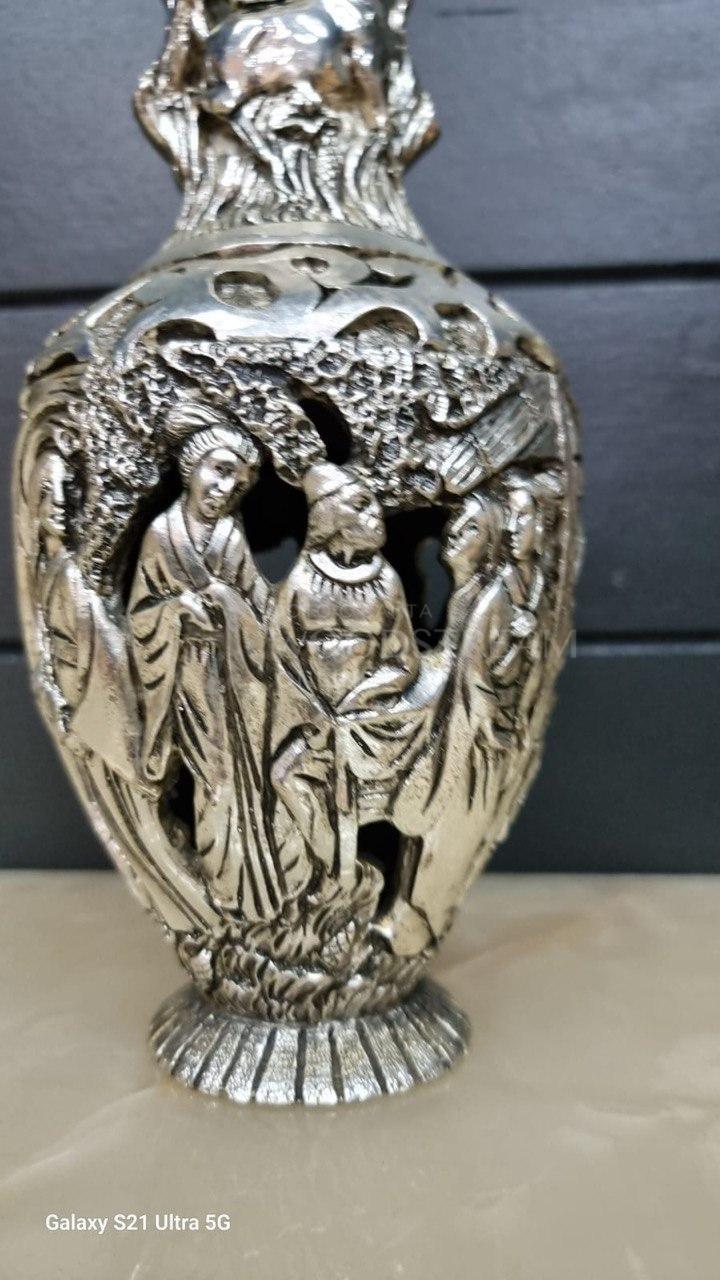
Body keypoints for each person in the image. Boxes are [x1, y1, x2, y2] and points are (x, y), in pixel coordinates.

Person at [129, 404, 304, 918]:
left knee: (249, 779)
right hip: (188, 677)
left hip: (239, 675)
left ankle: (253, 886)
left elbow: (257, 603)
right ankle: (224, 885)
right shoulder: (161, 535)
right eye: (221, 471)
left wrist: (245, 606)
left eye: (240, 483)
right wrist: (177, 609)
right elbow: (140, 615)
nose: (227, 489)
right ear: (191, 467)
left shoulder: (229, 536)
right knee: (215, 779)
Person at [269, 463, 420, 888]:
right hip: (313, 720)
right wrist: (314, 710)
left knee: (351, 792)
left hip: (367, 722)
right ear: (331, 515)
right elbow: (281, 655)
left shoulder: (386, 583)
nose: (375, 515)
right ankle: (333, 867)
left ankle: (345, 875)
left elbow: (405, 662)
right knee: (284, 775)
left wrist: (358, 700)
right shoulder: (301, 581)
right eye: (361, 504)